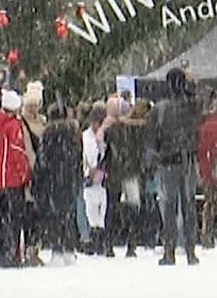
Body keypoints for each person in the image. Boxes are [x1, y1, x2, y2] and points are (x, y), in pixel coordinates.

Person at [149, 68, 203, 266]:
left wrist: (155, 156)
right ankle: (190, 250)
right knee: (188, 206)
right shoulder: (192, 104)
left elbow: (152, 138)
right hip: (187, 160)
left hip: (167, 162)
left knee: (169, 207)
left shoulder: (160, 108)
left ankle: (169, 250)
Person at [0, 90, 34, 268]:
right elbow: (18, 152)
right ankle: (12, 253)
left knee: (0, 217)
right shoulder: (14, 125)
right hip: (12, 179)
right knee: (14, 218)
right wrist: (26, 174)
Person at [34, 103, 82, 266]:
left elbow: (42, 159)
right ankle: (69, 249)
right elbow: (77, 158)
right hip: (69, 179)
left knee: (54, 216)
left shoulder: (47, 133)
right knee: (68, 215)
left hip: (52, 179)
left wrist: (39, 178)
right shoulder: (73, 132)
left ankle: (57, 251)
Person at [105, 97, 150, 256]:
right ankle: (131, 244)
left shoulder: (114, 128)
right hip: (131, 172)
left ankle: (109, 244)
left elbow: (106, 144)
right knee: (133, 207)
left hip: (116, 172)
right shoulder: (140, 129)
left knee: (111, 206)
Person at [197, 97, 217, 249]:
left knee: (209, 203)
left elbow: (201, 149)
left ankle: (206, 233)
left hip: (205, 168)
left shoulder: (204, 126)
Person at [81, 104, 110, 256]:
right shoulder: (85, 136)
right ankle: (94, 238)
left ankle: (101, 238)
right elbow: (88, 155)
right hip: (89, 176)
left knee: (102, 206)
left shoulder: (104, 135)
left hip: (103, 176)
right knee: (91, 207)